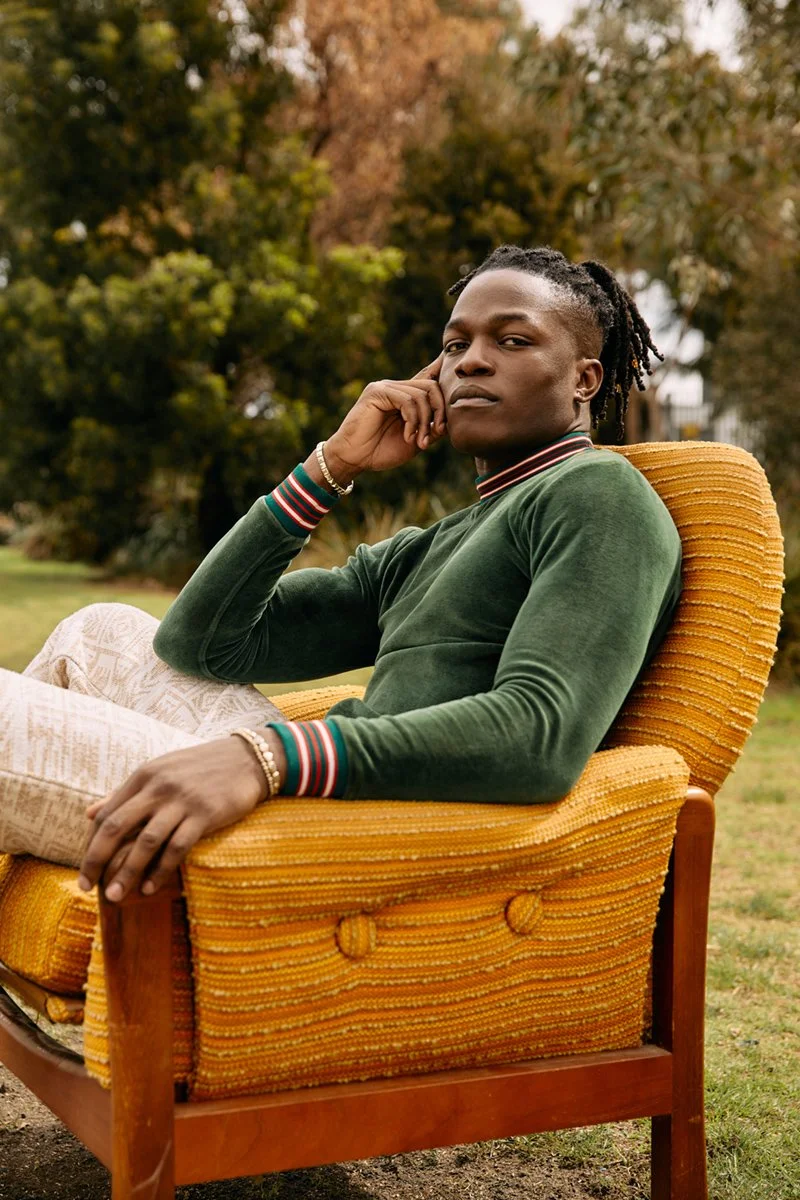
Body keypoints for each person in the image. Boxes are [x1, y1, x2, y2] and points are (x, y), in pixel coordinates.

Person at [0, 244, 682, 909]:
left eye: (512, 340)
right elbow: (201, 642)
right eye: (454, 346)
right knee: (100, 630)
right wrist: (331, 466)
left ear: (584, 380)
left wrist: (269, 757)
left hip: (372, 829)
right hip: (325, 791)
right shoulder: (433, 546)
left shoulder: (598, 495)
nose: (470, 360)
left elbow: (539, 734)